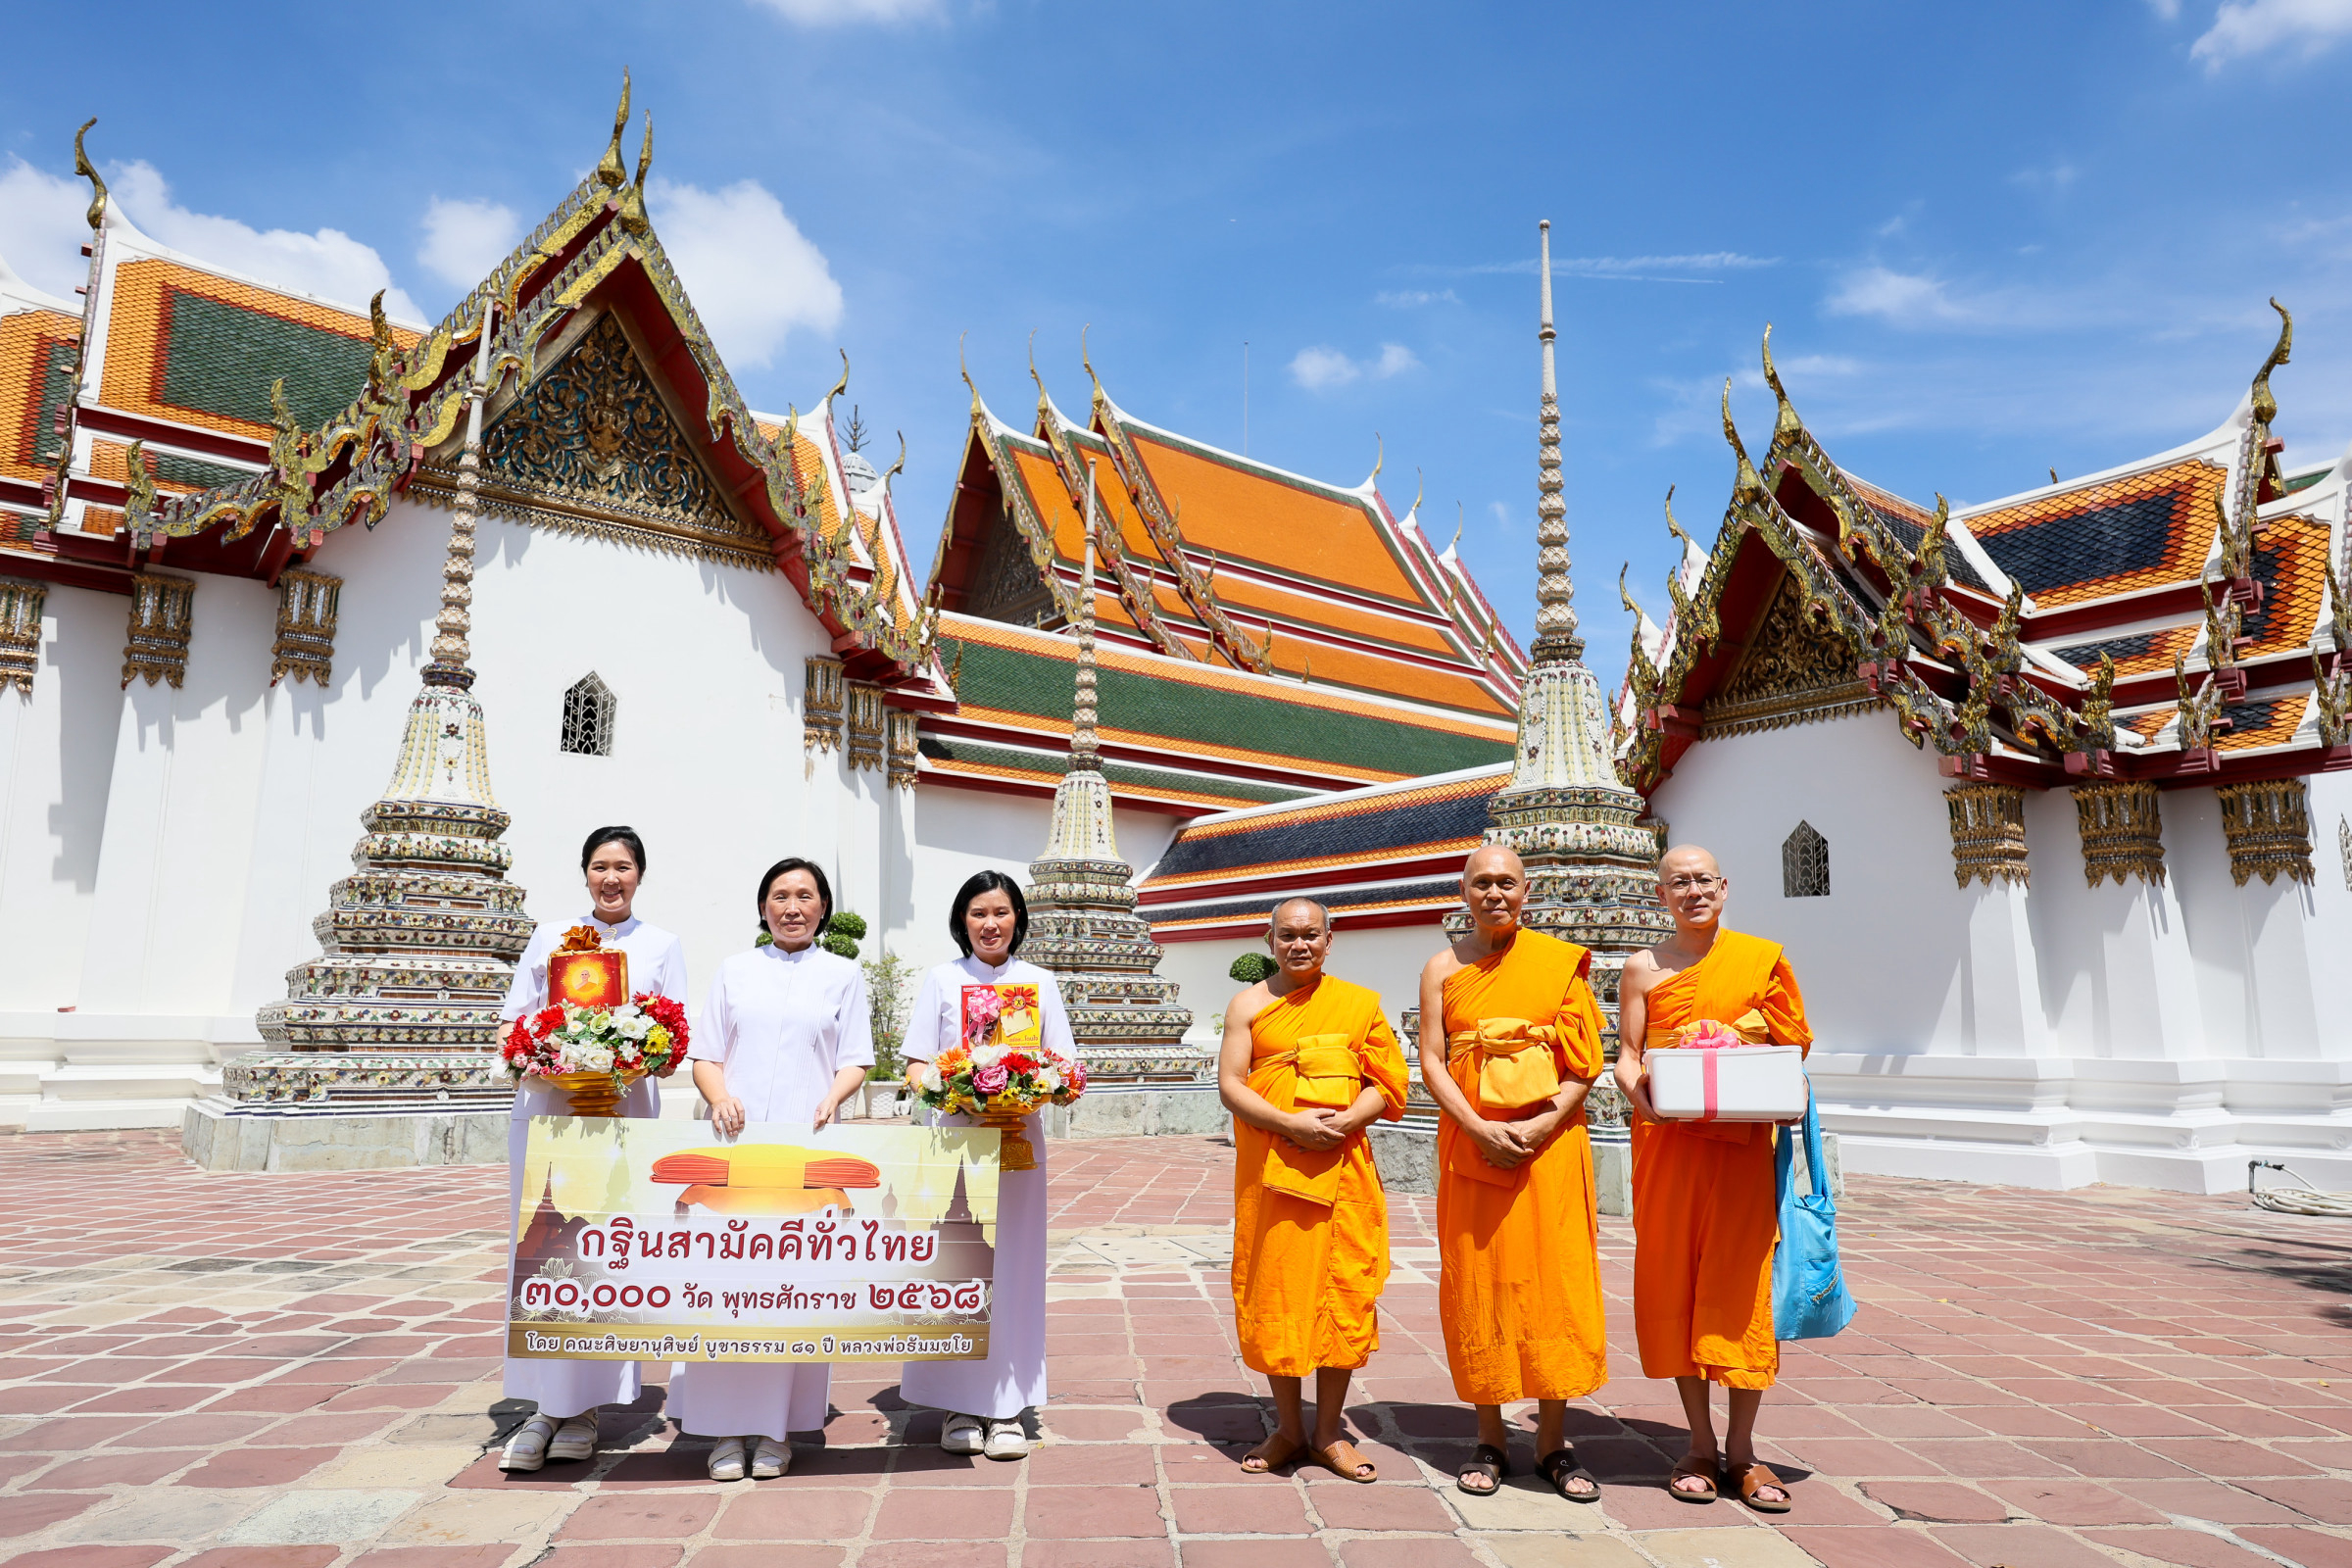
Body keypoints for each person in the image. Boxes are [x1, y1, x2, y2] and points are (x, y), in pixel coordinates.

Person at [1616, 844, 1811, 1514]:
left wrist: (1763, 1068)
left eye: (1703, 880)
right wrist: (1637, 1091)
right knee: (1677, 1281)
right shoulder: (1642, 968)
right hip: (1669, 1147)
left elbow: (1793, 1046)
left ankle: (1743, 1450)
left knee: (1741, 1286)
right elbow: (1628, 1055)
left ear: (1724, 888)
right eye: (1679, 883)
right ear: (1661, 895)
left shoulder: (1761, 959)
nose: (1692, 891)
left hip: (1740, 1150)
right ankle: (1699, 1444)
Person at [668, 858, 873, 1482]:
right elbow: (706, 1055)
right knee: (726, 1284)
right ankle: (724, 1429)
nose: (792, 908)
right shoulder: (735, 970)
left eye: (805, 896)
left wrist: (833, 1097)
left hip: (806, 1150)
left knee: (793, 1286)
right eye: (780, 896)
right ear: (763, 908)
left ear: (823, 908)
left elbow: (855, 1057)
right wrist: (719, 1097)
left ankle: (778, 1430)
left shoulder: (843, 975)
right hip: (735, 1147)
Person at [1417, 846, 1607, 1503]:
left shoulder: (1557, 964)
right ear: (1463, 892)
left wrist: (1540, 1125)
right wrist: (1476, 1126)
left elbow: (1585, 1061)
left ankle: (1553, 1440)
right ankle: (1491, 1435)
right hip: (1472, 1144)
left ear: (1526, 890)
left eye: (1506, 882)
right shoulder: (1442, 967)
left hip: (1549, 1147)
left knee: (1555, 1283)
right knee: (1481, 1282)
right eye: (1482, 883)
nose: (1494, 893)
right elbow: (1432, 1058)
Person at [498, 827, 689, 1474]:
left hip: (622, 1118)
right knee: (545, 1248)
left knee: (605, 1252)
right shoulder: (550, 937)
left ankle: (584, 1410)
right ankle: (545, 1405)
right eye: (601, 866)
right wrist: (549, 1058)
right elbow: (513, 1022)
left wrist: (624, 1059)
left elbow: (673, 1041)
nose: (612, 878)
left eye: (624, 867)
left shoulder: (661, 945)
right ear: (585, 873)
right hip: (550, 1114)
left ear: (640, 875)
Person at [1217, 897, 1406, 1484]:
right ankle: (1288, 1428)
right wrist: (1289, 1123)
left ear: (1329, 939)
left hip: (1342, 1171)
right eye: (1288, 935)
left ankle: (1327, 1431)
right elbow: (1231, 1084)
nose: (1299, 945)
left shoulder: (1359, 1003)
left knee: (1342, 1291)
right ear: (1270, 941)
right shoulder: (1249, 1005)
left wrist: (1348, 1120)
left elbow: (1387, 1081)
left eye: (1310, 935)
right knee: (1277, 1290)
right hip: (1274, 1171)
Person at [896, 870, 1069, 1460]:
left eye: (1000, 912)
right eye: (978, 913)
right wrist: (955, 1092)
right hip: (956, 1142)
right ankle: (957, 1404)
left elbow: (1065, 1067)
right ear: (961, 921)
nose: (990, 924)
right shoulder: (943, 980)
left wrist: (1027, 1091)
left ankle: (1007, 1406)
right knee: (958, 1265)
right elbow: (916, 1064)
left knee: (1014, 1267)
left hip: (1019, 1143)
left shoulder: (1040, 983)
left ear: (1018, 918)